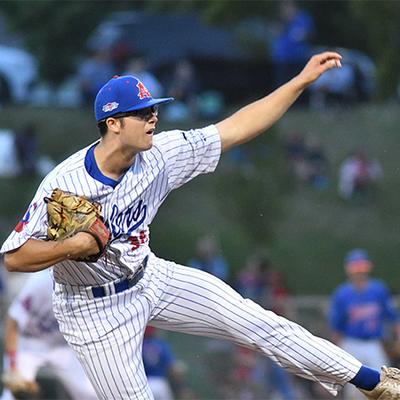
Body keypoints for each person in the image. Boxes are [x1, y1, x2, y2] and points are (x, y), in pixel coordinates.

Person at [1, 51, 399, 400]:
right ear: (114, 123)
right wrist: (74, 246)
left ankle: (374, 383)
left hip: (149, 276)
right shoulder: (64, 184)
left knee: (254, 320)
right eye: (142, 112)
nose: (153, 116)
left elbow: (238, 127)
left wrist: (298, 82)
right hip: (92, 310)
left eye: (153, 108)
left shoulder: (161, 155)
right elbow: (15, 258)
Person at [0, 269, 96, 400]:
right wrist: (12, 366)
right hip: (29, 344)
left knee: (93, 392)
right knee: (12, 395)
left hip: (63, 347)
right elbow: (13, 322)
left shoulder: (90, 286)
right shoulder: (40, 283)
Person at [329, 249, 400, 399]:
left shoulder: (378, 289)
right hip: (350, 343)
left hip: (373, 344)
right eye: (355, 266)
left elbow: (392, 317)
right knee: (352, 389)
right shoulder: (342, 293)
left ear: (368, 267)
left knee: (383, 384)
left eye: (362, 266)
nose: (358, 271)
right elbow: (337, 327)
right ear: (348, 269)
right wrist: (333, 350)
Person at [143, 326, 188, 400]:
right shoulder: (161, 344)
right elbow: (173, 368)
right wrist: (182, 388)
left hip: (144, 384)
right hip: (161, 383)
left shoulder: (138, 347)